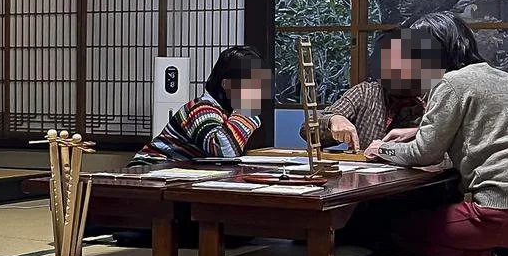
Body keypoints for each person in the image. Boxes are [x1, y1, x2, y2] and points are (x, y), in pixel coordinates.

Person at [365, 11, 508, 256]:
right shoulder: (504, 77)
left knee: (392, 230)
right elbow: (488, 125)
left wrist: (383, 148)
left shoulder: (449, 83)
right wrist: (416, 131)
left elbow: (425, 155)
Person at [134, 46, 271, 165]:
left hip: (180, 173)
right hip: (150, 169)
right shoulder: (202, 108)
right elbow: (224, 150)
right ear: (226, 84)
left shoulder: (229, 111)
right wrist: (246, 109)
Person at [302, 30, 424, 153]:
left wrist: (419, 133)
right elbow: (307, 129)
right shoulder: (365, 93)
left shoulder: (429, 98)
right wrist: (334, 119)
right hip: (364, 170)